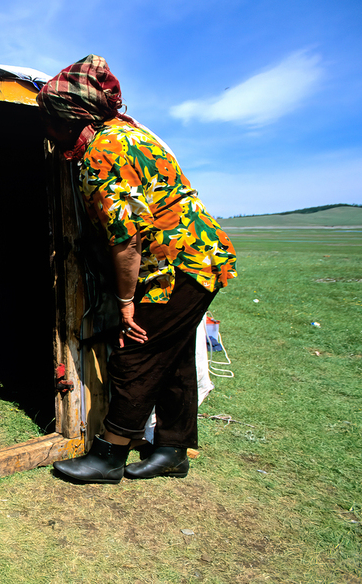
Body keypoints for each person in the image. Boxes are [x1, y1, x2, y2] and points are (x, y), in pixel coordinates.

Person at [36, 55, 236, 483]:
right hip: (202, 257)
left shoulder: (101, 152)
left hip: (178, 266)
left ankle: (110, 454)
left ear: (72, 118)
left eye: (49, 120)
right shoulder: (130, 133)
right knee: (174, 351)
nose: (47, 130)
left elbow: (125, 239)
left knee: (137, 350)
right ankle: (172, 449)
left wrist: (126, 302)